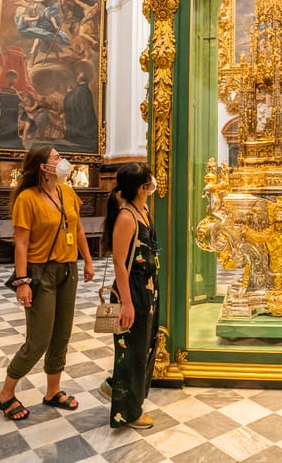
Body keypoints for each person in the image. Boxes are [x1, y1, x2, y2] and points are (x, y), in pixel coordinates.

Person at [0, 144, 95, 421]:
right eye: (57, 158)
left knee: (62, 334)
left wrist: (86, 259)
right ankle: (6, 392)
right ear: (43, 166)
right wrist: (22, 281)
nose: (63, 161)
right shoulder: (27, 199)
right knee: (38, 340)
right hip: (40, 273)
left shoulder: (67, 191)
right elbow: (21, 244)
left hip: (68, 269)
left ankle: (53, 391)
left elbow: (76, 228)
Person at [97, 163, 160, 430]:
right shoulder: (126, 217)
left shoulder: (142, 209)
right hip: (131, 290)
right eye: (150, 181)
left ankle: (118, 389)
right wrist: (126, 303)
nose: (154, 183)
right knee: (131, 353)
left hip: (147, 288)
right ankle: (128, 413)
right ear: (142, 187)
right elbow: (120, 263)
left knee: (142, 347)